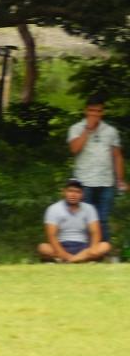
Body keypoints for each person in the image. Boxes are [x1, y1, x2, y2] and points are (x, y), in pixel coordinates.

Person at [67, 96, 126, 245]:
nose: (95, 114)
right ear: (86, 111)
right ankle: (84, 249)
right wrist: (88, 129)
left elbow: (117, 156)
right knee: (85, 218)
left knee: (103, 219)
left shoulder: (111, 131)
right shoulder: (76, 128)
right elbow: (74, 149)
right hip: (84, 182)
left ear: (102, 112)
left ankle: (102, 251)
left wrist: (120, 180)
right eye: (92, 111)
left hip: (106, 183)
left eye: (98, 111)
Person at [38, 178, 112, 264]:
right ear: (64, 192)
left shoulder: (89, 209)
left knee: (105, 246)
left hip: (83, 247)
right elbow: (52, 236)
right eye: (70, 191)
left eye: (77, 192)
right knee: (43, 247)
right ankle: (82, 260)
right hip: (62, 245)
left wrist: (93, 250)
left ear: (82, 194)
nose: (73, 195)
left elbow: (96, 233)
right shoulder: (53, 209)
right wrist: (63, 254)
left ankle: (68, 261)